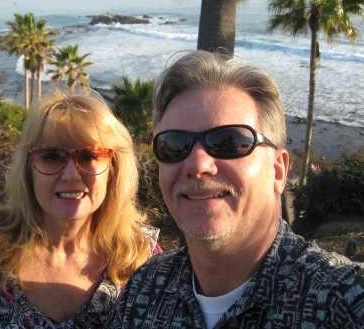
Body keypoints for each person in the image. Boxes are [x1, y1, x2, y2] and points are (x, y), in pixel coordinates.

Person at [109, 50, 363, 328]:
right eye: (175, 145)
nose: (197, 164)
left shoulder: (339, 298)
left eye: (229, 142)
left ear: (278, 171)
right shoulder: (146, 287)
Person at [0, 90, 161, 328]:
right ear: (29, 168)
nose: (70, 175)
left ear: (113, 170)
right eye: (52, 156)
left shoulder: (142, 257)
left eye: (88, 156)